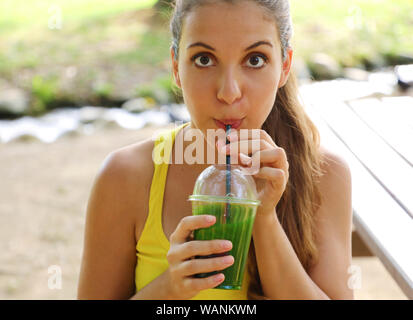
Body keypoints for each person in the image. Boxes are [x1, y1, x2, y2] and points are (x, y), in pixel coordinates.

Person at [77, 0, 353, 300]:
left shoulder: (325, 175)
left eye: (255, 59)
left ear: (284, 66)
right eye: (204, 59)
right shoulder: (126, 176)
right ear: (176, 68)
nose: (229, 92)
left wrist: (264, 219)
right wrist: (170, 287)